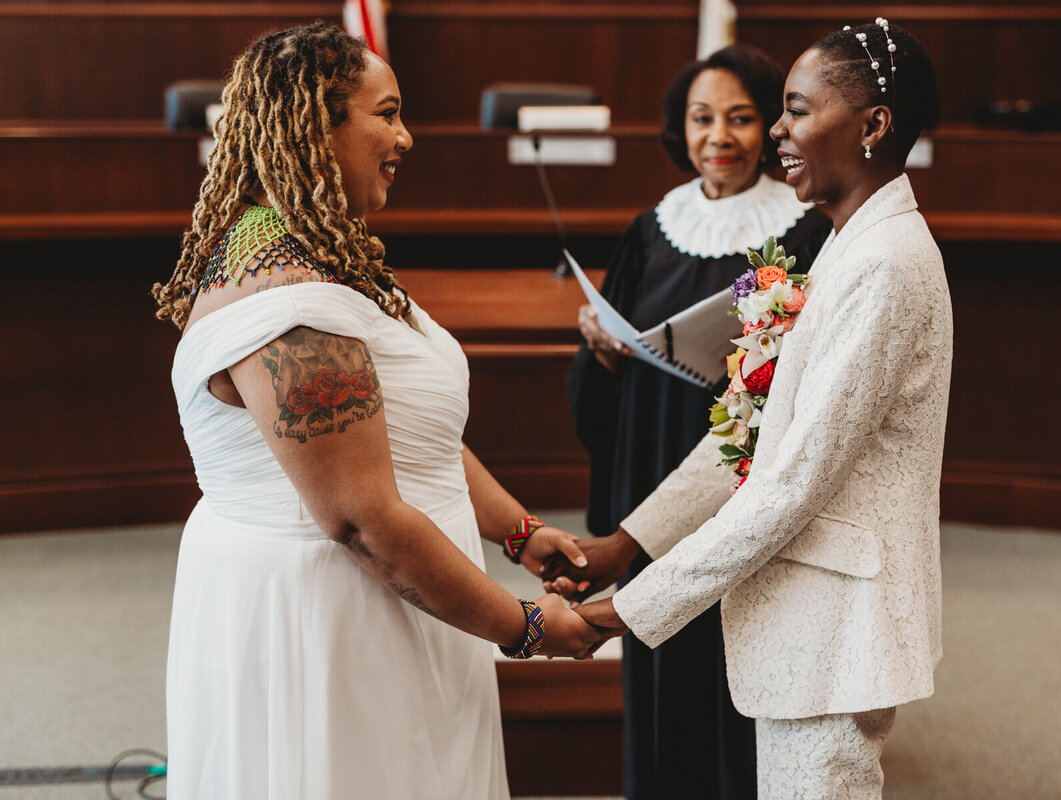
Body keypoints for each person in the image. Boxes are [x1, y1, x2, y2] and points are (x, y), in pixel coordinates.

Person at [151, 23, 598, 799]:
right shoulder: (287, 298)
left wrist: (516, 529)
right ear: (312, 123)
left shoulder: (313, 250)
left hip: (392, 596)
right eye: (386, 113)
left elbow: (394, 431)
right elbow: (363, 519)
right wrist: (523, 627)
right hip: (330, 614)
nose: (407, 137)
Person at [554, 20, 950, 800]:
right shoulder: (845, 244)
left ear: (872, 126)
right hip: (804, 628)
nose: (776, 131)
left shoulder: (884, 265)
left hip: (836, 631)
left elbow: (790, 480)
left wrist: (622, 613)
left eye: (796, 110)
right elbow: (752, 424)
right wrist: (626, 543)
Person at [565, 43, 832, 800]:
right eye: (702, 118)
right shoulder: (653, 228)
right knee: (656, 636)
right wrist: (604, 353)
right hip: (650, 453)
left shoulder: (800, 230)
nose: (720, 135)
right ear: (679, 129)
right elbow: (601, 388)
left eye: (741, 119)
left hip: (742, 466)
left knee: (732, 639)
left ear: (773, 128)